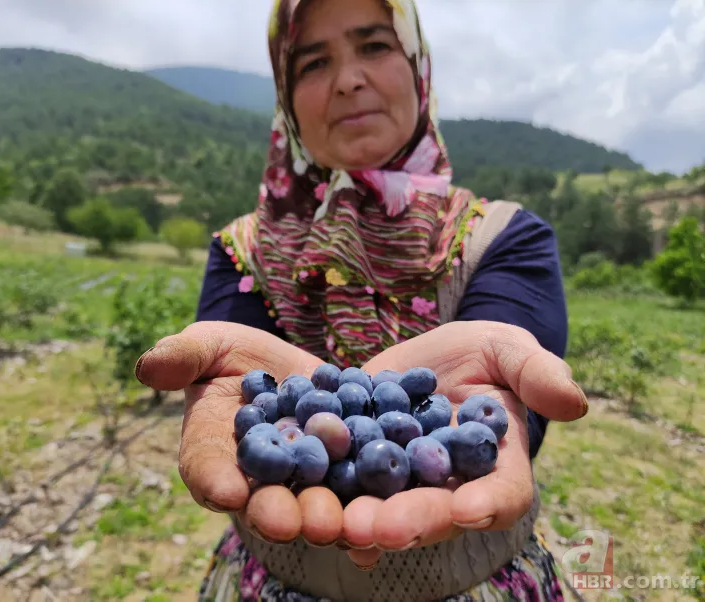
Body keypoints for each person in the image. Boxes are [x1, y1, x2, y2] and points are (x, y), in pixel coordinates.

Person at [135, 0, 589, 600]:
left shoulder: (505, 236)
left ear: (418, 68)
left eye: (374, 46)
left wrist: (478, 406)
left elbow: (504, 421)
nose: (349, 79)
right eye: (314, 62)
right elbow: (245, 397)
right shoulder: (241, 249)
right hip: (275, 573)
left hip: (473, 575)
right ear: (286, 97)